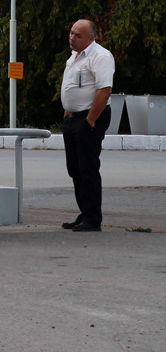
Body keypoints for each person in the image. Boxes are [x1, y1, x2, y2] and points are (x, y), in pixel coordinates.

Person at [60, 19, 115, 232]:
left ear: (91, 38)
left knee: (87, 168)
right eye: (72, 33)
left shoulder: (100, 56)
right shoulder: (74, 58)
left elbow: (105, 90)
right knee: (75, 169)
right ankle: (84, 212)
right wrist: (68, 112)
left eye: (78, 35)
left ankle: (92, 219)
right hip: (73, 117)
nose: (72, 38)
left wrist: (90, 120)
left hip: (90, 118)